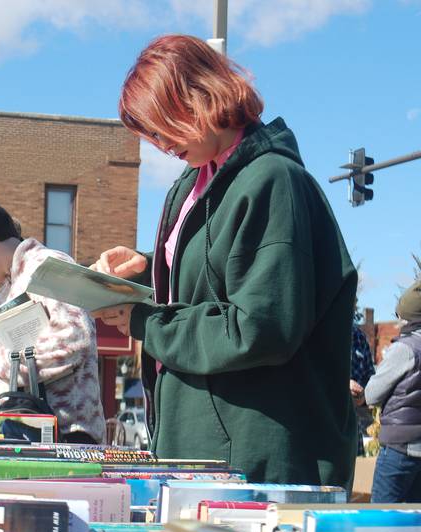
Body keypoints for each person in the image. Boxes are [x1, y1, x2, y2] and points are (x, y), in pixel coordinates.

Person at [91, 34, 358, 487]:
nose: (159, 143)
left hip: (259, 458)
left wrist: (145, 321)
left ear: (196, 97)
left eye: (161, 125)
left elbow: (260, 327)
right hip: (207, 454)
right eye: (150, 133)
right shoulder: (195, 183)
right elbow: (217, 279)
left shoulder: (274, 182)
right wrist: (145, 267)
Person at [0, 203, 105, 443]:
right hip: (23, 433)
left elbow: (73, 340)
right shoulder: (5, 291)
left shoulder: (48, 266)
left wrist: (4, 364)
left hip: (66, 436)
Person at [365, 278, 421, 503]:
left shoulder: (404, 349)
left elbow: (372, 394)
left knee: (380, 520)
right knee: (415, 526)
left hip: (400, 448)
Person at [350, 321, 376, 454]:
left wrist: (364, 395)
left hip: (353, 427)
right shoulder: (318, 332)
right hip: (323, 426)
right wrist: (341, 384)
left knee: (355, 472)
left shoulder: (358, 336)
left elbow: (370, 377)